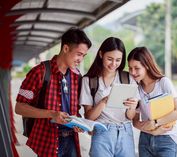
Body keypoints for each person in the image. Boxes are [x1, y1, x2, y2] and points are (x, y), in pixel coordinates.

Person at [15, 27, 92, 157]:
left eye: (83, 56)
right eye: (79, 54)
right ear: (66, 48)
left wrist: (79, 123)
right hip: (47, 140)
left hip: (71, 140)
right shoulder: (39, 72)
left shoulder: (77, 77)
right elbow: (19, 107)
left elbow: (75, 110)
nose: (81, 59)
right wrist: (52, 114)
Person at [80, 37, 139, 157]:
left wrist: (132, 107)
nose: (113, 64)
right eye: (110, 59)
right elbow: (89, 117)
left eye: (118, 60)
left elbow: (130, 116)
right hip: (102, 132)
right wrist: (104, 101)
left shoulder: (128, 78)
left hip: (125, 132)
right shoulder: (89, 80)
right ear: (101, 54)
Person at [128, 47, 177, 157]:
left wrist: (155, 123)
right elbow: (135, 122)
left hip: (167, 139)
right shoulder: (136, 88)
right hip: (145, 140)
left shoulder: (163, 83)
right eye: (130, 68)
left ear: (147, 66)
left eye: (136, 68)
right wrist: (151, 131)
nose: (133, 72)